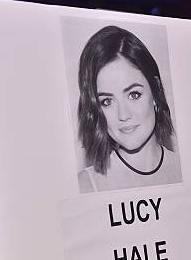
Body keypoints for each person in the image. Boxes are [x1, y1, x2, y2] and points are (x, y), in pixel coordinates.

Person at [76, 25, 181, 193]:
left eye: (133, 94)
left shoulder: (189, 171)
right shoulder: (85, 186)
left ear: (156, 91)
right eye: (107, 101)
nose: (123, 115)